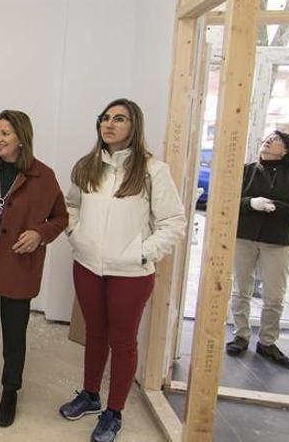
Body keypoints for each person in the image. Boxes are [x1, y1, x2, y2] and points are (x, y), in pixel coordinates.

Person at [59, 99, 185, 442]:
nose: (109, 124)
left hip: (131, 272)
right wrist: (76, 235)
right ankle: (90, 395)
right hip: (87, 265)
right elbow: (70, 206)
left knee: (123, 340)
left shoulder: (152, 171)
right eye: (105, 118)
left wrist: (143, 253)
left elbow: (173, 222)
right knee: (95, 334)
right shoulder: (87, 166)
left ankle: (114, 412)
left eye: (119, 118)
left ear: (134, 126)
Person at [0, 110, 68, 427]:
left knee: (14, 336)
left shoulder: (43, 176)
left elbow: (60, 218)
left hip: (18, 267)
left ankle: (10, 391)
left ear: (21, 137)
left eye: (5, 133)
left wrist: (39, 235)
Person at [225, 131, 289, 368]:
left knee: (274, 296)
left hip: (277, 242)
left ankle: (267, 341)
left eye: (275, 139)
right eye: (266, 137)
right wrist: (250, 203)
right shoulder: (246, 170)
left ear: (286, 150)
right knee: (240, 289)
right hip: (244, 238)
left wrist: (278, 208)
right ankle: (241, 335)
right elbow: (228, 200)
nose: (268, 140)